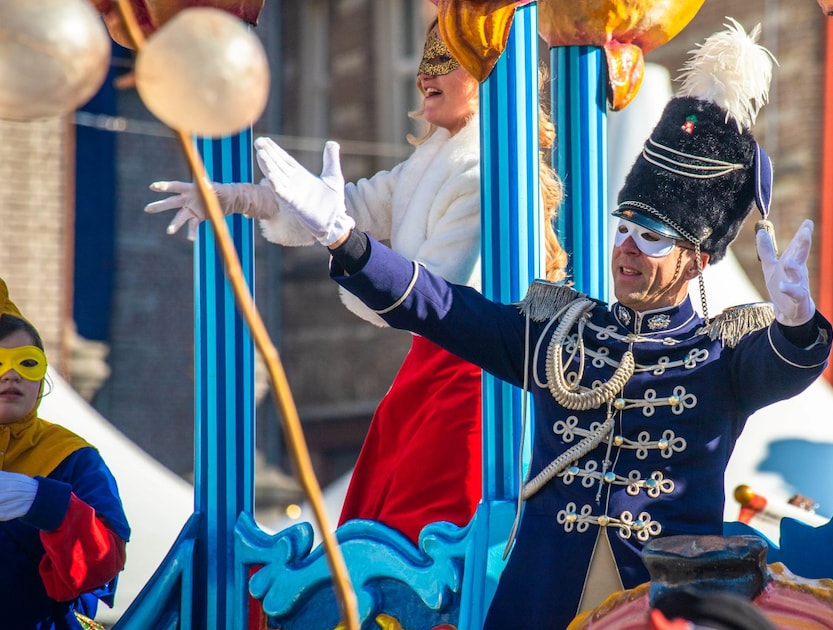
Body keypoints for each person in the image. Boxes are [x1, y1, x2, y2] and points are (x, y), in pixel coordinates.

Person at [252, 20, 832, 628]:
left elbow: (787, 366)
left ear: (698, 257)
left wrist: (797, 323)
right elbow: (444, 307)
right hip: (545, 601)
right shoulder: (563, 334)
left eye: (653, 237)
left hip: (666, 604)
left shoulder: (723, 353)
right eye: (624, 227)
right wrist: (347, 241)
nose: (628, 250)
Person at [144, 21, 567, 543]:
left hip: (472, 383)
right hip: (430, 372)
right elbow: (347, 208)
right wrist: (247, 199)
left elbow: (431, 295)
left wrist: (342, 238)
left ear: (485, 74)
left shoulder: (483, 174)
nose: (424, 76)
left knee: (423, 533)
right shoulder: (432, 163)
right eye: (426, 55)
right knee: (378, 529)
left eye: (445, 58)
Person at [0, 278, 131, 629]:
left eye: (26, 362)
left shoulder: (74, 458)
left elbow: (105, 562)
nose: (10, 375)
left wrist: (47, 503)